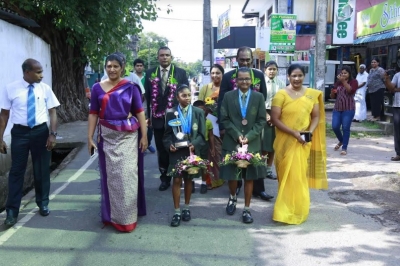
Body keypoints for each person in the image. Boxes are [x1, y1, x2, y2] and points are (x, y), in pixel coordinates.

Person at [88, 54, 148, 232]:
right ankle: (112, 216)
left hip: (128, 137)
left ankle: (128, 218)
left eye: (115, 66)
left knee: (127, 175)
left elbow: (140, 112)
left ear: (122, 68)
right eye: (109, 66)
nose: (112, 69)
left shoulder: (131, 87)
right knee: (112, 177)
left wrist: (144, 136)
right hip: (107, 137)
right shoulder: (97, 88)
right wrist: (89, 137)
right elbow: (93, 114)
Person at [0, 59, 60, 227]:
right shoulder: (11, 88)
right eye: (38, 72)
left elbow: (53, 112)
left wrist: (52, 134)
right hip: (20, 134)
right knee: (16, 172)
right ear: (27, 72)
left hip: (41, 132)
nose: (42, 75)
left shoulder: (45, 88)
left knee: (41, 170)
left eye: (42, 71)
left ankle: (43, 203)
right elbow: (4, 115)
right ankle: (12, 212)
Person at [271, 64, 328, 225]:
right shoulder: (281, 95)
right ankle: (285, 209)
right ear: (288, 77)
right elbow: (275, 119)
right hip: (285, 141)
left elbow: (316, 116)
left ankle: (297, 209)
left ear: (304, 77)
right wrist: (294, 133)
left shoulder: (312, 95)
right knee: (286, 176)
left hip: (303, 141)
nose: (297, 79)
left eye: (300, 76)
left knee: (298, 176)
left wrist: (309, 131)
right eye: (293, 76)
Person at [217, 46, 270, 199]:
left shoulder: (259, 75)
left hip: (253, 126)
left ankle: (258, 189)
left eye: (248, 59)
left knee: (254, 156)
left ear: (252, 60)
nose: (245, 62)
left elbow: (263, 97)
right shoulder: (228, 77)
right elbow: (221, 102)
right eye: (242, 59)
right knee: (235, 158)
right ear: (237, 60)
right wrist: (222, 127)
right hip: (234, 126)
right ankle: (237, 187)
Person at [220, 67, 267, 224]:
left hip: (251, 143)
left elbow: (261, 120)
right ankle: (232, 197)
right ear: (236, 80)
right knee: (232, 176)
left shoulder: (259, 97)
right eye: (241, 79)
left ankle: (247, 209)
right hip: (232, 142)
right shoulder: (228, 96)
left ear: (251, 80)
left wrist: (249, 136)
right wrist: (236, 134)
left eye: (247, 79)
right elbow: (224, 118)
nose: (244, 81)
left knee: (249, 178)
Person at [145, 46, 189, 191]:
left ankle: (179, 175)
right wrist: (147, 116)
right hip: (157, 119)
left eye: (167, 55)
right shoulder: (150, 73)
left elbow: (186, 96)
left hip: (176, 118)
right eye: (162, 55)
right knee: (162, 150)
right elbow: (148, 98)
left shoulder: (180, 73)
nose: (164, 57)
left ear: (171, 57)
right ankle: (164, 178)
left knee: (178, 148)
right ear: (158, 57)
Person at [163, 85, 206, 227]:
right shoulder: (170, 112)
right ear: (177, 97)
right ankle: (176, 211)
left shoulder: (198, 112)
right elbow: (167, 135)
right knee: (176, 181)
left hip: (191, 152)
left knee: (189, 180)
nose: (187, 98)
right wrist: (169, 145)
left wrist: (195, 144)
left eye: (189, 95)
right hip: (177, 152)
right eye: (184, 96)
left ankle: (186, 208)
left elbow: (202, 135)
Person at [193, 100, 224, 192]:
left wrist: (212, 148)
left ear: (206, 110)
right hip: (194, 146)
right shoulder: (192, 121)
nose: (201, 112)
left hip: (205, 145)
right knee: (192, 165)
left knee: (204, 165)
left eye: (203, 110)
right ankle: (191, 183)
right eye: (199, 110)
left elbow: (210, 136)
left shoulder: (208, 122)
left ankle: (204, 183)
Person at [262, 60, 286, 183]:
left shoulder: (281, 84)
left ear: (277, 71)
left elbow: (283, 102)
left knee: (273, 145)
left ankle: (268, 170)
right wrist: (266, 115)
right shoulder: (260, 83)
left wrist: (275, 117)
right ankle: (259, 168)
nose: (272, 71)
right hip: (262, 114)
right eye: (269, 69)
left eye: (274, 69)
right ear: (265, 70)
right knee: (263, 144)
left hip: (276, 115)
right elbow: (259, 101)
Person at [330, 66, 358, 155]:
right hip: (337, 108)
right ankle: (341, 140)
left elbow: (350, 91)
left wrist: (343, 82)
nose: (343, 75)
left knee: (345, 128)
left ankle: (344, 147)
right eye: (342, 73)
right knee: (335, 126)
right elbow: (332, 97)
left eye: (345, 73)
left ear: (349, 74)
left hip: (348, 108)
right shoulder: (337, 83)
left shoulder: (354, 82)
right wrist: (332, 92)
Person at [134, 58, 156, 153]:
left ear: (143, 67)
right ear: (134, 67)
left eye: (140, 65)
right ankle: (139, 146)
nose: (139, 67)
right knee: (137, 125)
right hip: (134, 104)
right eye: (137, 66)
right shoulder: (131, 77)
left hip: (147, 103)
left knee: (150, 124)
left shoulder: (148, 76)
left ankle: (148, 143)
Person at [383, 71, 400, 161]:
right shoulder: (397, 75)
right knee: (397, 131)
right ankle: (398, 153)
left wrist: (397, 89)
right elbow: (391, 88)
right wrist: (387, 79)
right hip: (397, 106)